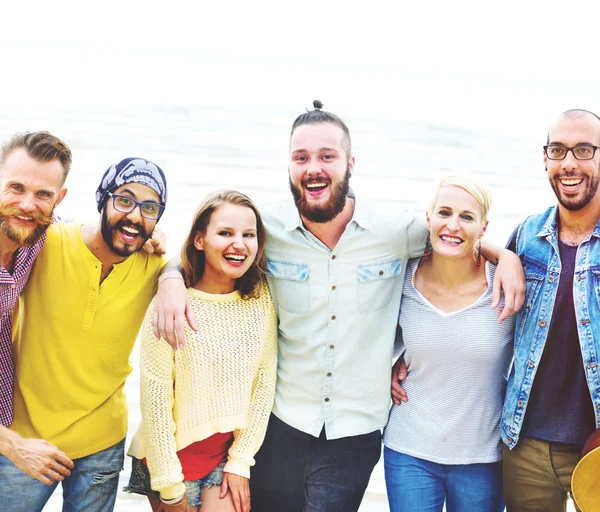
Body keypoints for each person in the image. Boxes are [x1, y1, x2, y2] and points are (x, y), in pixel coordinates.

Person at [153, 101, 525, 512]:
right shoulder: (265, 228)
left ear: (350, 163)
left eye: (327, 156)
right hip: (279, 425)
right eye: (301, 158)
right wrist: (169, 277)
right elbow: (211, 246)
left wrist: (504, 256)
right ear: (290, 166)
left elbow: (452, 233)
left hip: (355, 433)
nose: (314, 167)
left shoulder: (393, 231)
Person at [0, 157, 168, 512]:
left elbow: (203, 261)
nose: (135, 216)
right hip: (25, 436)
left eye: (149, 208)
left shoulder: (157, 267)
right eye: (124, 200)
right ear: (102, 199)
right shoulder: (45, 243)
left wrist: (174, 279)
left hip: (101, 444)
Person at [125, 190, 278, 512]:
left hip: (223, 458)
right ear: (199, 240)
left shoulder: (260, 298)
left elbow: (263, 384)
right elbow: (155, 401)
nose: (239, 244)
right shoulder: (169, 306)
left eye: (248, 235)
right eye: (225, 233)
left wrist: (240, 462)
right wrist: (169, 487)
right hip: (167, 459)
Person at [385, 175, 514, 511]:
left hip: (483, 457)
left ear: (483, 227)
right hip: (408, 449)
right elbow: (363, 329)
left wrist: (508, 256)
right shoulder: (402, 276)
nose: (453, 226)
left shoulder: (506, 285)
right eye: (444, 212)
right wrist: (382, 369)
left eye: (466, 217)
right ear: (428, 218)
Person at [501, 109, 600, 511]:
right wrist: (407, 360)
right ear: (545, 159)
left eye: (583, 150)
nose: (569, 163)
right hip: (525, 445)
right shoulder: (525, 238)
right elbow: (473, 308)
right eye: (558, 150)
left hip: (595, 447)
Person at [0, 131, 72, 478]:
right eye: (16, 188)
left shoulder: (37, 232)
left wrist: (171, 276)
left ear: (58, 198)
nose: (28, 204)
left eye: (42, 194)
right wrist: (14, 446)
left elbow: (88, 235)